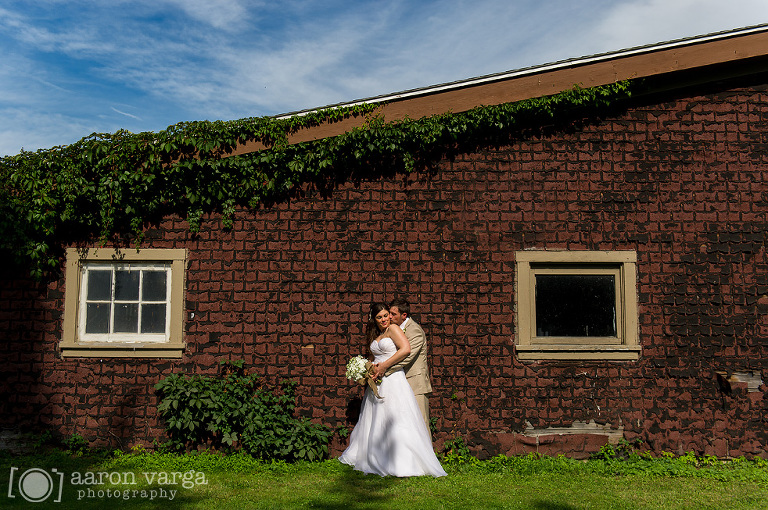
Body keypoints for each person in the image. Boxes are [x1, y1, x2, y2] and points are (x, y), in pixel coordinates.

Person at [339, 303, 446, 477]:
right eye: (379, 317)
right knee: (377, 418)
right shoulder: (378, 334)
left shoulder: (394, 329)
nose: (383, 320)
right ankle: (378, 455)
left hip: (393, 378)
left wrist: (384, 367)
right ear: (374, 320)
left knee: (397, 417)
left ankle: (403, 460)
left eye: (385, 316)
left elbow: (406, 349)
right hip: (379, 380)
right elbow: (375, 356)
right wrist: (368, 368)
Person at [383, 297, 432, 430]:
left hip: (416, 384)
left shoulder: (415, 330)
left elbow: (407, 357)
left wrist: (384, 369)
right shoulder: (393, 330)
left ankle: (425, 452)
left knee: (421, 424)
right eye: (390, 313)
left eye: (393, 314)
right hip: (400, 384)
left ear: (404, 315)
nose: (390, 317)